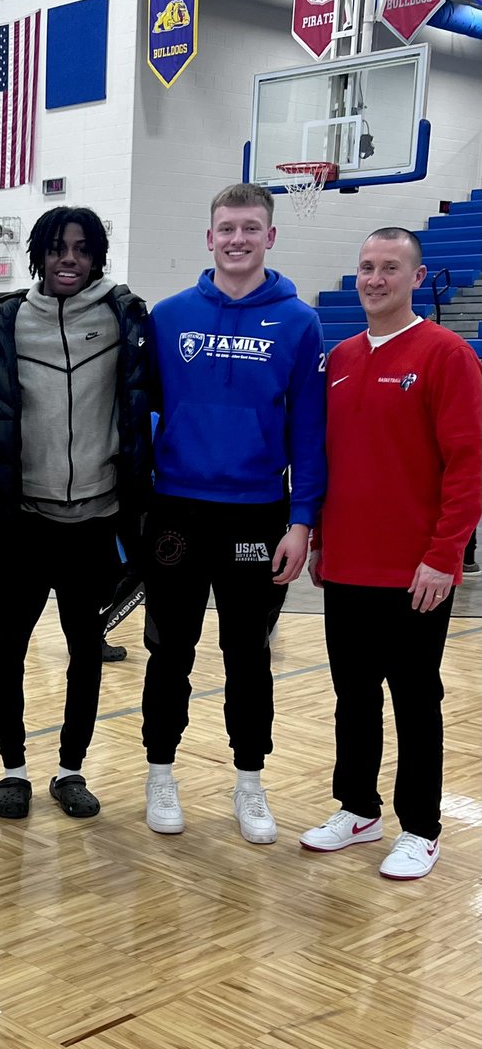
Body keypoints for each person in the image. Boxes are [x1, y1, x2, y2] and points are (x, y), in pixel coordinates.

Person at [141, 182, 326, 844]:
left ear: (270, 236)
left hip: (255, 515)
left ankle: (250, 782)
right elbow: (139, 417)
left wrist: (302, 521)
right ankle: (160, 773)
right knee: (170, 651)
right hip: (177, 512)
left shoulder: (300, 323)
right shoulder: (167, 317)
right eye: (227, 228)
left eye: (251, 228)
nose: (238, 239)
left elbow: (309, 431)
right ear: (210, 236)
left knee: (248, 655)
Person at [301, 227, 482, 879]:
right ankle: (358, 808)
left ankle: (422, 828)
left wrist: (444, 555)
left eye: (389, 268)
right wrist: (320, 539)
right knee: (353, 696)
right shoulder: (341, 357)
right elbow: (327, 462)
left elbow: (469, 464)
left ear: (416, 275)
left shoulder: (446, 353)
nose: (375, 278)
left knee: (414, 698)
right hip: (346, 564)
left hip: (416, 573)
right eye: (366, 268)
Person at [0, 208, 151, 818]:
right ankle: (13, 772)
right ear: (39, 256)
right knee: (9, 652)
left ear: (97, 255)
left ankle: (71, 770)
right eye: (56, 249)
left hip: (95, 525)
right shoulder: (5, 323)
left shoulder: (123, 317)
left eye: (80, 248)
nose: (68, 259)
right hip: (25, 523)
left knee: (85, 653)